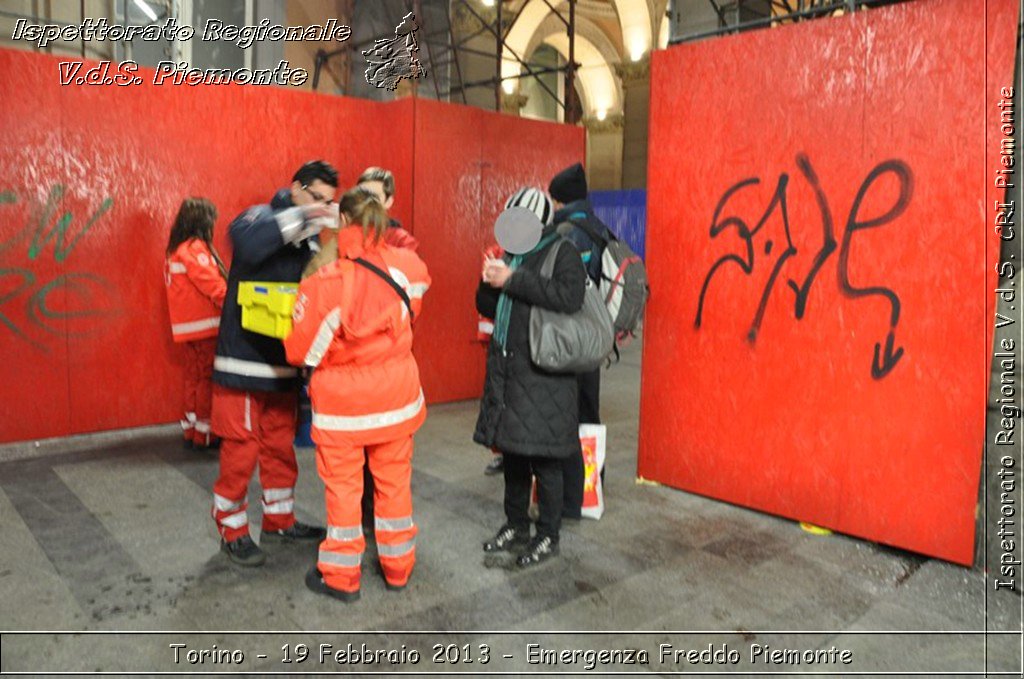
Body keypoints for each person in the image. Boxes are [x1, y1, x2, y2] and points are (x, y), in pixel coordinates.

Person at [284, 189, 431, 601]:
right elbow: (413, 306)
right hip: (397, 399)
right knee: (394, 484)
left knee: (345, 491)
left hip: (344, 409)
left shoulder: (324, 283)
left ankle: (341, 577)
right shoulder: (408, 267)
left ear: (342, 223)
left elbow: (300, 351)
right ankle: (398, 567)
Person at [210, 160, 338, 567]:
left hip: (285, 366)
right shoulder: (260, 217)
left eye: (327, 202)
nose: (321, 207)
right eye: (315, 197)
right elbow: (245, 244)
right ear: (296, 188)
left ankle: (280, 520)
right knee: (240, 453)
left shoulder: (312, 243)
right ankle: (232, 528)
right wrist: (305, 216)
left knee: (280, 449)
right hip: (243, 365)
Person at [474, 187, 586, 567]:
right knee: (516, 456)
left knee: (547, 461)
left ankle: (548, 534)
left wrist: (512, 280)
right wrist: (488, 281)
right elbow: (489, 306)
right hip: (510, 372)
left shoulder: (562, 252)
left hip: (546, 375)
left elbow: (569, 298)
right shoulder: (511, 255)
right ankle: (516, 525)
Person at [548, 162, 612, 520]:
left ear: (559, 200)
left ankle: (573, 496)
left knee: (567, 414)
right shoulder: (597, 226)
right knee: (589, 412)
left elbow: (565, 288)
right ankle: (593, 484)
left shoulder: (568, 232)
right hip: (595, 335)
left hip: (571, 336)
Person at [164, 197, 227, 450]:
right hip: (205, 328)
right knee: (206, 378)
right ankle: (206, 433)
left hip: (187, 330)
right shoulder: (195, 249)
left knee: (193, 378)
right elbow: (213, 285)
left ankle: (192, 428)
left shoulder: (176, 249)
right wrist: (234, 303)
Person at [357, 166, 419, 251]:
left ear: (388, 202)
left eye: (375, 197)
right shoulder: (344, 233)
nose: (367, 201)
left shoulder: (402, 241)